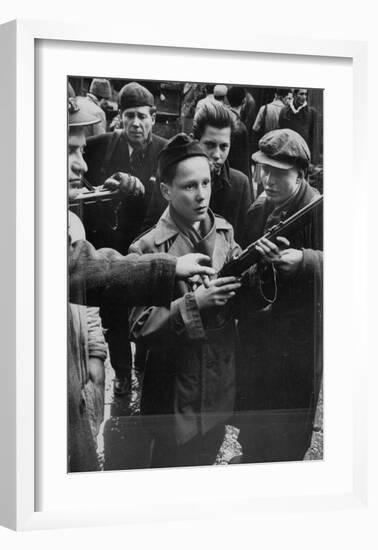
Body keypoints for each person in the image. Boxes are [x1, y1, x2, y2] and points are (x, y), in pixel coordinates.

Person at [67, 98, 215, 472]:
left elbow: (80, 303)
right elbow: (85, 270)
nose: (82, 165)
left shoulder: (222, 229)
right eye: (70, 151)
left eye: (206, 183)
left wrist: (94, 355)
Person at [129, 133, 243, 468]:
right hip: (173, 398)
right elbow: (140, 324)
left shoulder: (224, 233)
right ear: (166, 190)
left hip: (216, 392)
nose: (202, 194)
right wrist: (195, 304)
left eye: (206, 182)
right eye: (189, 186)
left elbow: (239, 298)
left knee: (205, 467)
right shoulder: (148, 248)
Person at [235, 128, 323, 463]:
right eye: (263, 169)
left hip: (299, 346)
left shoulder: (321, 212)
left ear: (300, 174)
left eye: (278, 173)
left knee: (289, 433)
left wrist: (307, 261)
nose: (267, 179)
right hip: (259, 340)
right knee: (254, 421)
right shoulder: (258, 210)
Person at [83, 82, 168, 396]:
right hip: (111, 249)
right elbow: (75, 176)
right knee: (115, 318)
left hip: (149, 247)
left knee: (150, 312)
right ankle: (121, 372)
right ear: (119, 117)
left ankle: (144, 371)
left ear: (153, 117)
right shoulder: (100, 146)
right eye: (129, 115)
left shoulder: (166, 150)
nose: (136, 123)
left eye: (143, 116)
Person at [143, 101, 252, 242]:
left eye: (224, 147)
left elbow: (245, 240)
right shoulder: (173, 175)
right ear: (194, 141)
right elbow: (152, 229)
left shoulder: (240, 184)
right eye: (210, 145)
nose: (217, 155)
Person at [278, 88, 319, 163]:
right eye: (301, 94)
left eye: (305, 94)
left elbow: (313, 137)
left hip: (303, 155)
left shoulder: (311, 112)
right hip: (288, 154)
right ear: (294, 95)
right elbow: (280, 135)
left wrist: (313, 160)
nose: (304, 97)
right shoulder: (284, 111)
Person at [226, 86, 251, 181]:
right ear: (244, 101)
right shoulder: (240, 127)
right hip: (235, 176)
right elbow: (243, 162)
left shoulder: (222, 118)